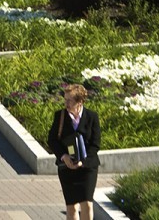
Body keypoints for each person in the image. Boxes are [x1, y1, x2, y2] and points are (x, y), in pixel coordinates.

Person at [47, 83, 101, 220]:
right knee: (71, 207)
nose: (66, 104)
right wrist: (64, 156)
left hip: (87, 168)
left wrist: (83, 162)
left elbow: (95, 144)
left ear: (80, 101)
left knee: (87, 204)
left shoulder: (92, 117)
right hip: (67, 167)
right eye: (65, 99)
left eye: (69, 100)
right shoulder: (60, 116)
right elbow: (52, 140)